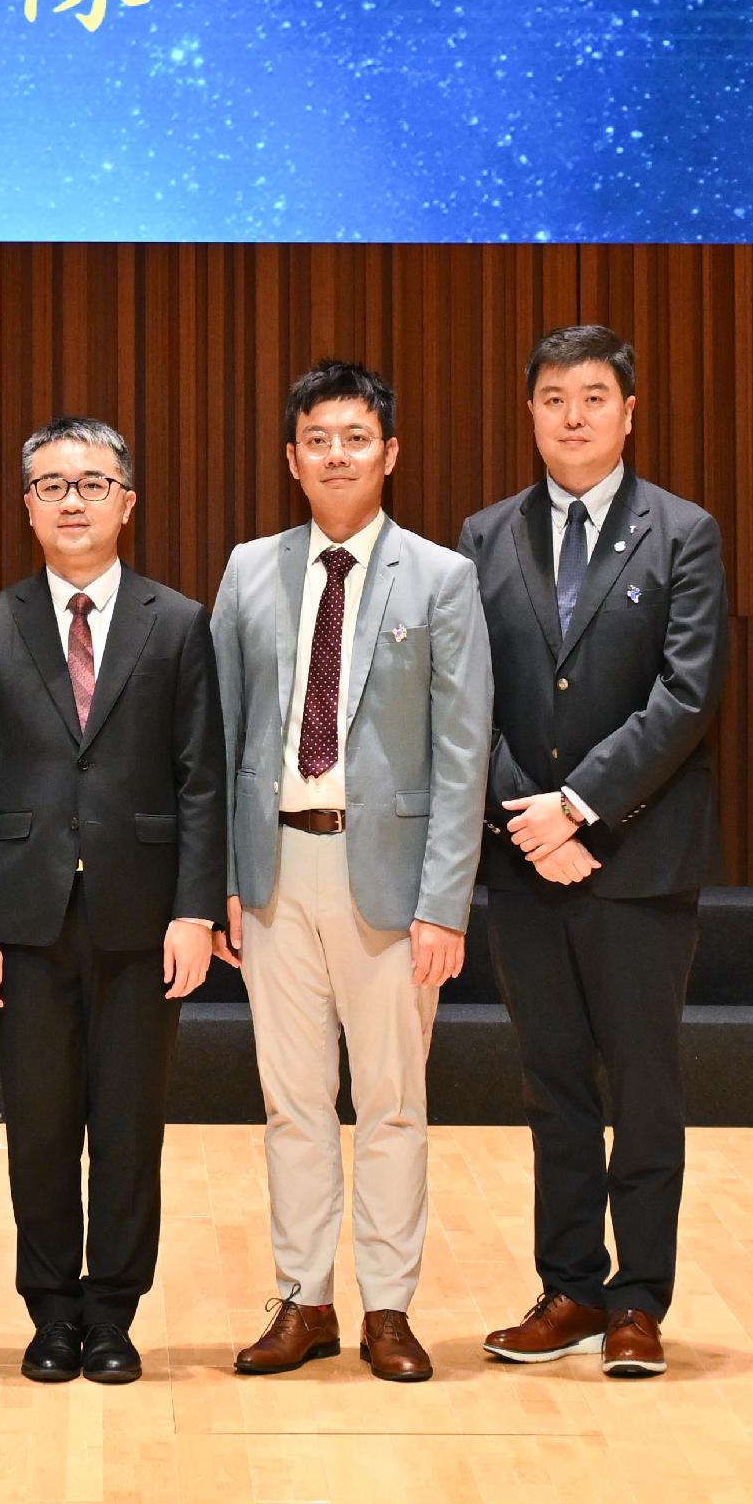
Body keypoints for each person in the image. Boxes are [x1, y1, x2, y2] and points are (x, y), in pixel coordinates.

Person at [214, 360, 494, 1385]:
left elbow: (464, 752)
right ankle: (304, 1298)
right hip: (275, 870)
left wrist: (442, 902)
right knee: (290, 1102)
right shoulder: (247, 568)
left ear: (390, 451)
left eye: (355, 435)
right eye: (317, 438)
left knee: (390, 1102)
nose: (337, 453)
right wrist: (225, 882)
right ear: (291, 458)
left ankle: (388, 1305)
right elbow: (222, 734)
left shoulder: (439, 576)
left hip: (389, 878)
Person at [458, 324, 724, 1380]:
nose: (573, 414)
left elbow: (688, 689)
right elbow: (460, 690)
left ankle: (638, 1297)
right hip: (524, 858)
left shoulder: (684, 531)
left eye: (594, 395)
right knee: (552, 1078)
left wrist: (578, 806)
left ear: (628, 410)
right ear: (528, 413)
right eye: (554, 397)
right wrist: (528, 813)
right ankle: (568, 1283)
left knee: (644, 1082)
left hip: (640, 858)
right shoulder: (483, 535)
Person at [0, 416, 227, 1386]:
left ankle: (114, 1311)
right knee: (40, 1121)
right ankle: (50, 1307)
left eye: (93, 482)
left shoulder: (178, 621)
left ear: (127, 502)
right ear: (26, 503)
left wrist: (195, 909)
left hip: (145, 917)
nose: (73, 499)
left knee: (130, 1123)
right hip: (22, 920)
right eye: (52, 483)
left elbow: (201, 778)